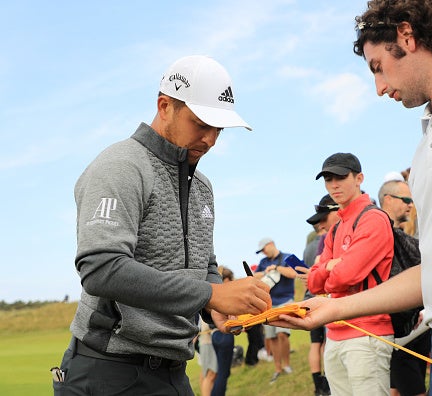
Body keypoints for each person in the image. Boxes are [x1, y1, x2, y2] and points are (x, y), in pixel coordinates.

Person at [275, 1, 432, 394]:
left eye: (377, 67)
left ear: (407, 36)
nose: (378, 88)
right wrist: (334, 307)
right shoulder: (425, 147)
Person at [53, 55, 272, 396]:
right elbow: (101, 269)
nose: (211, 139)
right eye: (201, 123)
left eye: (219, 129)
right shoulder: (122, 166)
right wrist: (212, 294)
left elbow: (205, 266)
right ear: (165, 105)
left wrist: (218, 308)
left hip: (173, 374)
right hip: (108, 371)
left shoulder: (203, 187)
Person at [307, 153, 394, 396]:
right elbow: (314, 284)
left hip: (367, 331)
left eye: (340, 177)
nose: (334, 184)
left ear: (359, 178)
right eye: (328, 179)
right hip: (335, 332)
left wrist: (331, 272)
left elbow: (347, 276)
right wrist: (328, 267)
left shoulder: (373, 218)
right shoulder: (336, 228)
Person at [379, 180, 429, 396]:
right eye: (407, 200)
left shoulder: (401, 238)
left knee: (396, 389)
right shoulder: (378, 234)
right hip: (396, 330)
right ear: (388, 200)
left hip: (413, 327)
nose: (410, 205)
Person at [302, 194, 340, 396]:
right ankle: (324, 382)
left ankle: (319, 385)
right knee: (323, 343)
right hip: (323, 299)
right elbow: (317, 275)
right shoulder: (325, 240)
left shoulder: (315, 244)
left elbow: (315, 272)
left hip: (316, 297)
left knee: (316, 344)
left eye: (324, 220)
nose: (321, 227)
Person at [254, 238, 297, 384]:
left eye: (264, 249)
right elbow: (254, 276)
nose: (263, 253)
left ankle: (287, 365)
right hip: (269, 304)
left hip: (285, 301)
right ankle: (278, 368)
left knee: (282, 334)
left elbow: (294, 273)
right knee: (271, 337)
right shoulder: (263, 263)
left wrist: (277, 268)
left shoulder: (288, 257)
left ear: (271, 244)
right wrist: (265, 272)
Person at [211, 266, 236, 396]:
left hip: (214, 335)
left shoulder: (215, 292)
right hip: (224, 335)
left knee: (222, 371)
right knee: (223, 373)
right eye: (231, 279)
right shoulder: (226, 296)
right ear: (226, 279)